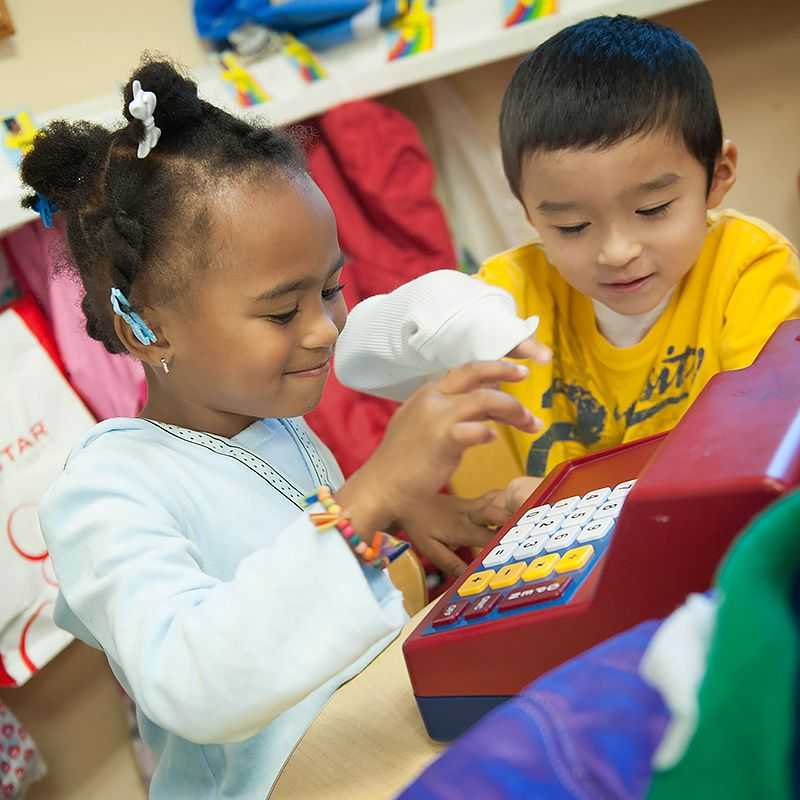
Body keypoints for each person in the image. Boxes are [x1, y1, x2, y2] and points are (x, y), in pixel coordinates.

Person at [26, 59, 538, 799]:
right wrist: (372, 494)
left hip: (371, 745)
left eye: (330, 288)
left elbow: (311, 547)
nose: (325, 329)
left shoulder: (270, 427)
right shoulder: (106, 493)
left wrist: (430, 514)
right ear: (147, 330)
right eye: (281, 311)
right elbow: (192, 680)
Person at [334, 14, 800, 508]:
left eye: (653, 210)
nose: (617, 252)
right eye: (573, 226)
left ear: (718, 175)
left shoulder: (746, 267)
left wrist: (580, 498)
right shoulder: (509, 292)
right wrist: (434, 311)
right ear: (530, 213)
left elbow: (762, 447)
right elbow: (355, 363)